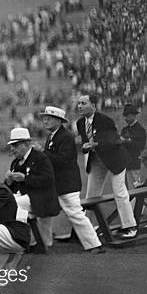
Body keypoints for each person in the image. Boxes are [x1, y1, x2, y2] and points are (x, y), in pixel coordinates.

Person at [41, 106, 105, 253]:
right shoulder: (53, 136)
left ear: (58, 121)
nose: (45, 120)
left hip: (67, 184)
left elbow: (64, 161)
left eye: (48, 118)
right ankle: (45, 242)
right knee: (43, 211)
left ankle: (95, 245)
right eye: (44, 118)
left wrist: (43, 153)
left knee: (75, 214)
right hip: (57, 184)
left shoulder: (66, 137)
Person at [76, 94, 137, 239]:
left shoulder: (105, 120)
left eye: (83, 103)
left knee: (119, 192)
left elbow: (115, 141)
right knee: (91, 195)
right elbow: (86, 144)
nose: (80, 106)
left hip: (115, 159)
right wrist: (85, 147)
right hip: (97, 160)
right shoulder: (80, 123)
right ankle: (88, 229)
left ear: (93, 105)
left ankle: (130, 227)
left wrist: (95, 144)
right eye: (79, 103)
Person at [4, 128, 60, 252]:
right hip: (28, 197)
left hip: (42, 197)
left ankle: (19, 240)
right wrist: (8, 182)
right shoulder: (15, 162)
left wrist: (25, 178)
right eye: (12, 145)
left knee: (10, 204)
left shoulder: (40, 157)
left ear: (26, 144)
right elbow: (13, 188)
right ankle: (23, 240)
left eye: (15, 145)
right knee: (5, 202)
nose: (12, 149)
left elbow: (48, 179)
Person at [120, 103, 146, 189]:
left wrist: (127, 141)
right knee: (128, 188)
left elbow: (140, 146)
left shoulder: (140, 130)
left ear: (134, 115)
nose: (126, 118)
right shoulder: (124, 129)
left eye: (128, 115)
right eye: (125, 116)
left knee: (135, 187)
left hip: (134, 163)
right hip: (125, 163)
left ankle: (137, 202)